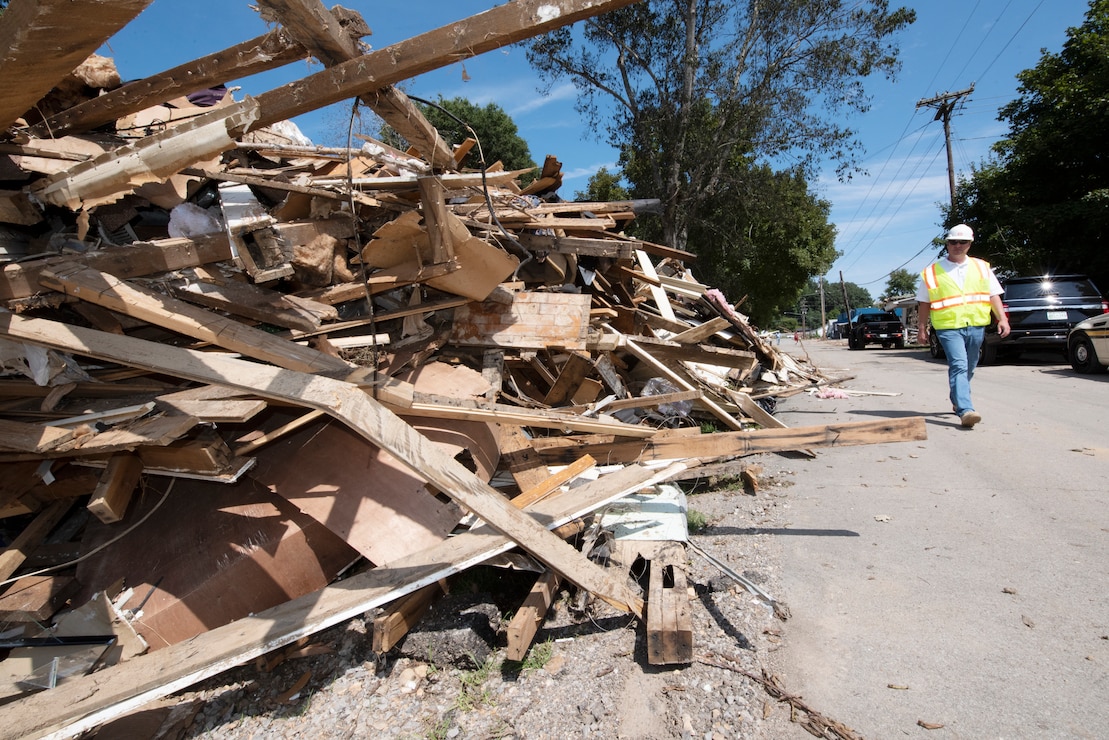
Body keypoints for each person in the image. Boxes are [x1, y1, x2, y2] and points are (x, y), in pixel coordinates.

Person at [916, 224, 1010, 428]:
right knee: (959, 364)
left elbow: (993, 295)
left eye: (963, 242)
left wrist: (1002, 318)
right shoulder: (931, 272)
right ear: (947, 244)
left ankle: (958, 398)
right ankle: (966, 409)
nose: (957, 245)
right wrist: (922, 328)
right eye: (953, 242)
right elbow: (924, 303)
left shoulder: (982, 267)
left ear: (970, 244)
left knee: (970, 365)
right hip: (948, 327)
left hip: (976, 324)